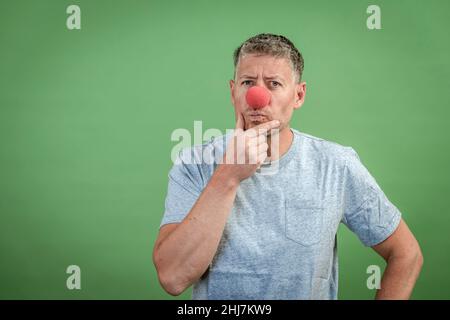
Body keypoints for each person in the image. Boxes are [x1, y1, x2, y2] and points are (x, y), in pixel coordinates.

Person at [153, 33, 423, 299]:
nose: (257, 97)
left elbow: (406, 254)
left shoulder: (336, 165)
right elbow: (173, 278)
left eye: (273, 84)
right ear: (233, 91)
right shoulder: (194, 164)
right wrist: (228, 176)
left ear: (298, 95)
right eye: (248, 82)